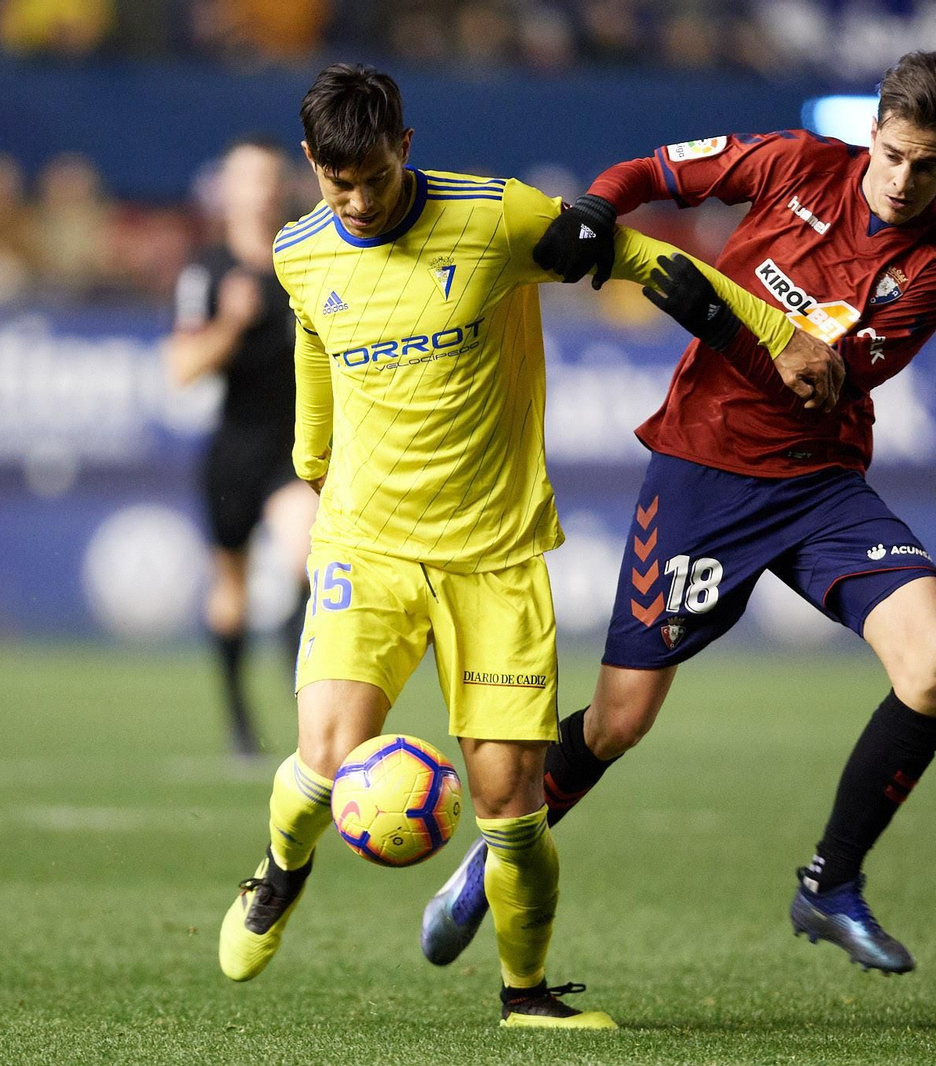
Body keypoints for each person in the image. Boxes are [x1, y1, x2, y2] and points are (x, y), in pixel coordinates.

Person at [215, 63, 835, 1028]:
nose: (361, 201)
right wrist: (310, 450)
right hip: (366, 547)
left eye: (375, 178)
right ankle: (278, 874)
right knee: (323, 761)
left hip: (494, 559)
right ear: (312, 168)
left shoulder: (497, 218)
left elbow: (644, 261)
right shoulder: (300, 252)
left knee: (511, 805)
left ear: (405, 148)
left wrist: (774, 330)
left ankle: (527, 997)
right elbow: (312, 337)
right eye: (340, 186)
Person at [422, 50, 936, 976]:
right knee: (619, 721)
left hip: (818, 482)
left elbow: (826, 382)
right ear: (870, 133)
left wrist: (722, 321)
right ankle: (493, 859)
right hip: (702, 474)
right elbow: (650, 169)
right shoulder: (796, 163)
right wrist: (600, 208)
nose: (903, 181)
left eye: (928, 165)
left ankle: (829, 885)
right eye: (892, 154)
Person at [166, 135, 315, 758]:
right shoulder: (207, 271)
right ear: (226, 189)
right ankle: (238, 722)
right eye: (245, 178)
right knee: (229, 592)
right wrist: (230, 321)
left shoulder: (306, 258)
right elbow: (181, 368)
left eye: (267, 177)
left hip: (294, 449)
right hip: (233, 451)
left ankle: (291, 638)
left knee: (313, 558)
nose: (258, 190)